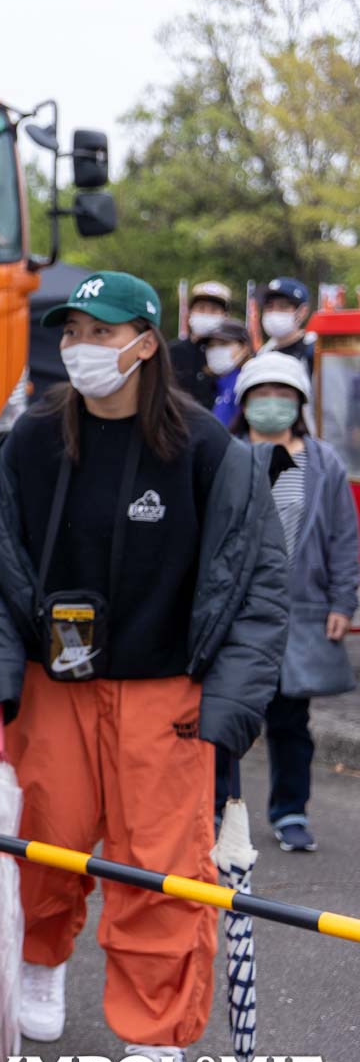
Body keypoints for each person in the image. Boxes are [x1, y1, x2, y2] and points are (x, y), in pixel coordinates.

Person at [0, 270, 287, 1062]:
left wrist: (231, 709)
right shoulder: (33, 442)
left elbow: (259, 585)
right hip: (55, 683)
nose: (82, 348)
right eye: (72, 332)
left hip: (167, 688)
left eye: (102, 334)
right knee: (45, 840)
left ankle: (153, 1041)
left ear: (146, 344)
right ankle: (39, 963)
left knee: (159, 867)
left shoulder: (209, 450)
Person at [216, 354, 358, 853]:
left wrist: (342, 601)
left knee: (291, 720)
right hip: (235, 613)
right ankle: (217, 808)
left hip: (300, 613)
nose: (272, 403)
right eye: (261, 394)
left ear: (299, 402)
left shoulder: (324, 463)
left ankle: (290, 811)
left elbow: (343, 537)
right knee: (227, 715)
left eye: (283, 394)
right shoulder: (226, 455)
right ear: (244, 401)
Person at [168, 280, 236, 411]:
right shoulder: (172, 351)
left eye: (214, 310)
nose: (206, 314)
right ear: (190, 313)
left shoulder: (231, 354)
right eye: (201, 308)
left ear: (225, 316)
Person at [204, 318, 254, 427]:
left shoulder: (247, 382)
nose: (216, 350)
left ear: (244, 347)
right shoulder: (216, 384)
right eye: (211, 346)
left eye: (223, 344)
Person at [259, 276, 315, 372]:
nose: (274, 312)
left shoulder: (314, 351)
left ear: (302, 311)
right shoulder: (262, 354)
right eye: (269, 306)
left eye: (283, 306)